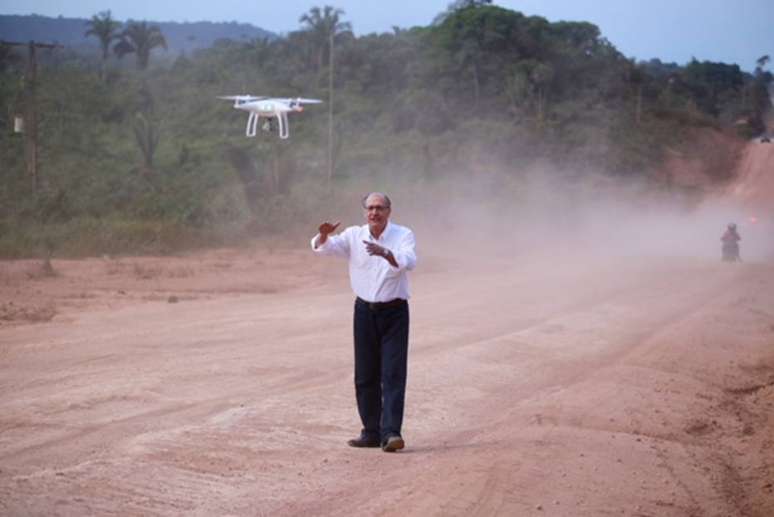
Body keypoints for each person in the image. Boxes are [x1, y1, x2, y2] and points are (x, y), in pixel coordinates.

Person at [311, 192, 417, 452]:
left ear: (389, 211)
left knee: (392, 373)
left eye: (379, 208)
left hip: (394, 312)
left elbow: (409, 261)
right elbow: (326, 248)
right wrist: (323, 235)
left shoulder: (403, 235)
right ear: (364, 212)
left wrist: (387, 254)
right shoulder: (354, 235)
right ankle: (371, 431)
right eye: (370, 208)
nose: (374, 213)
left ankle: (391, 433)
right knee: (365, 374)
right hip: (364, 311)